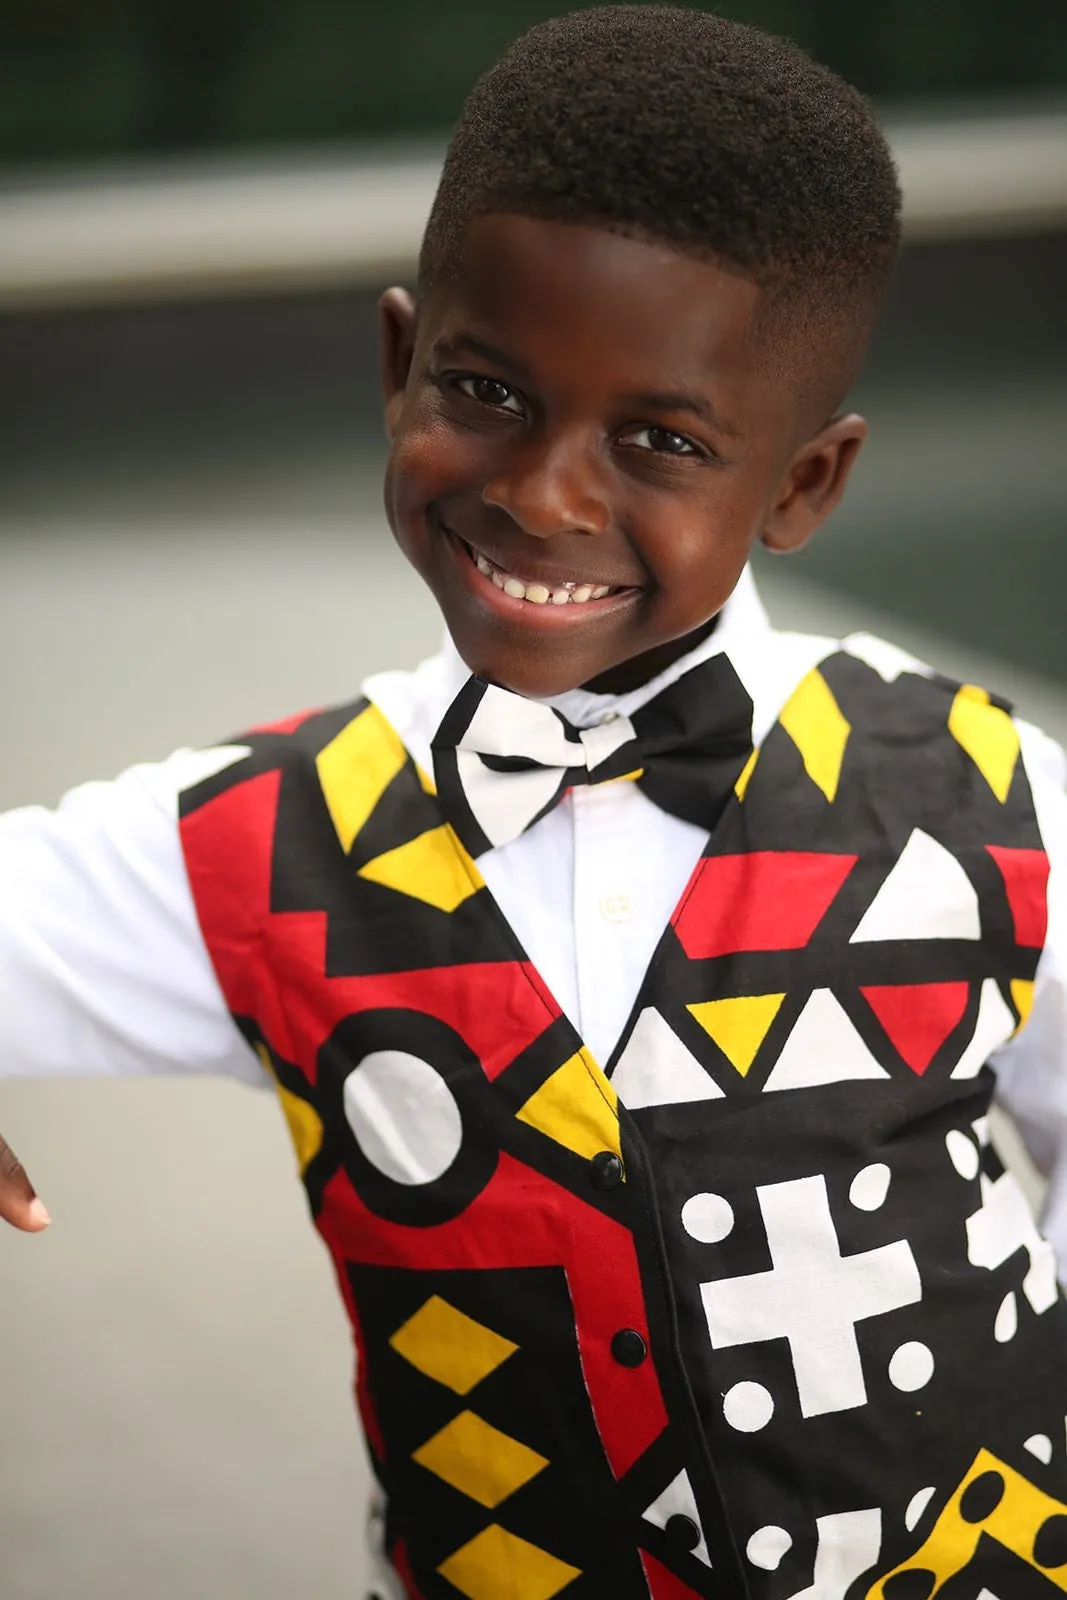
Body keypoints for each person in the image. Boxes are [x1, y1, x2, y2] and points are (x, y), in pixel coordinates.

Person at [3, 7, 1066, 1598]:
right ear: (394, 363)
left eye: (658, 439)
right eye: (486, 391)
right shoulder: (250, 845)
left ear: (801, 485)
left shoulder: (998, 801)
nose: (544, 492)